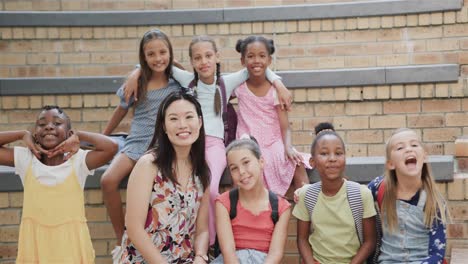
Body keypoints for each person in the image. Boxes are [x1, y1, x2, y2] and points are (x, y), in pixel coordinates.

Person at [123, 35, 293, 247]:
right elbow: (161, 64)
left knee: (211, 190)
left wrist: (278, 83)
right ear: (192, 62)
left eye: (208, 56)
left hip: (214, 145)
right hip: (191, 144)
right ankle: (183, 234)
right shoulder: (187, 80)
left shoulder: (226, 82)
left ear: (217, 57)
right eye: (198, 58)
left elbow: (255, 66)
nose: (203, 62)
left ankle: (211, 241)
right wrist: (136, 71)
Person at [0, 105, 118, 263]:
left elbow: (112, 147)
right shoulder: (26, 158)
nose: (49, 126)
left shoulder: (79, 161)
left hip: (71, 248)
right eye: (42, 124)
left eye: (57, 123)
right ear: (36, 134)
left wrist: (79, 135)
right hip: (35, 248)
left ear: (69, 134)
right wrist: (22, 134)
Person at [99, 29, 182, 252]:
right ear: (143, 57)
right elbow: (121, 110)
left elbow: (190, 73)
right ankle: (121, 237)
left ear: (170, 53)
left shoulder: (178, 81)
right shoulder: (138, 82)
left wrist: (136, 70)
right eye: (151, 54)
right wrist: (105, 135)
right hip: (135, 143)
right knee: (108, 180)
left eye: (163, 52)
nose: (158, 58)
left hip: (161, 146)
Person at [120, 91, 210, 264]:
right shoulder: (149, 165)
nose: (182, 125)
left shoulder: (201, 171)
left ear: (199, 122)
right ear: (163, 126)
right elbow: (133, 227)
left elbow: (203, 229)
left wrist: (200, 256)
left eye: (189, 117)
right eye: (174, 119)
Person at [234, 35, 310, 196]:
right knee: (252, 161)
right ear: (242, 61)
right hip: (249, 140)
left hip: (273, 140)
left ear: (269, 60)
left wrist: (288, 147)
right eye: (250, 56)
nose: (256, 60)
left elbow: (285, 126)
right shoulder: (239, 88)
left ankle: (308, 206)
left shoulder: (275, 91)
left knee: (296, 162)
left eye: (262, 56)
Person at [293, 122, 376, 264]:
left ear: (345, 158)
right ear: (312, 162)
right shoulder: (307, 195)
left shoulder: (361, 194)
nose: (332, 158)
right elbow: (302, 239)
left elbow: (370, 241)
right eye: (324, 153)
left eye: (338, 153)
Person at [368, 128, 449, 263]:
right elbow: (357, 198)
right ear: (391, 164)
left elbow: (437, 253)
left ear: (424, 157)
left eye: (414, 145)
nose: (408, 149)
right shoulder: (379, 187)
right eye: (400, 148)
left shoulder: (434, 201)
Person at [212, 135, 291, 264]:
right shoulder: (223, 203)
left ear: (261, 162)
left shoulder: (281, 207)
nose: (242, 172)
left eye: (246, 162)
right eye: (234, 168)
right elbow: (228, 252)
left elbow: (275, 254)